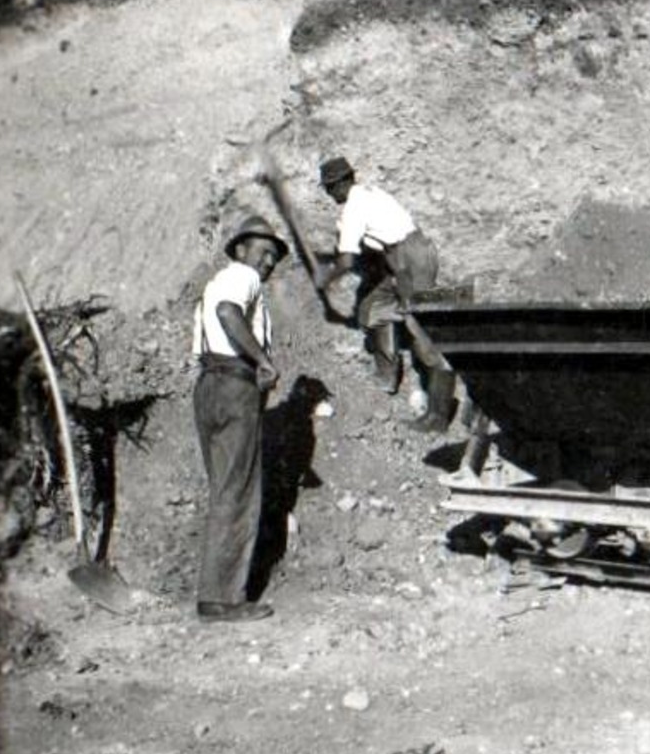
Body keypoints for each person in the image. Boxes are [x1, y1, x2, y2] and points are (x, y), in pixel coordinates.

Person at [191, 215, 288, 622]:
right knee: (239, 492)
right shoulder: (242, 278)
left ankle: (214, 591)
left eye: (273, 256)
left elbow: (209, 332)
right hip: (235, 384)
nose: (267, 261)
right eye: (262, 251)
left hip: (209, 385)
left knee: (223, 488)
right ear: (241, 249)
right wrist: (263, 362)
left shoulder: (213, 284)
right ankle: (223, 599)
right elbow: (230, 314)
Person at [315, 156, 455, 433]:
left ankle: (439, 415)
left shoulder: (355, 206)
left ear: (339, 184)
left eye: (329, 189)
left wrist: (325, 279)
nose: (329, 195)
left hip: (410, 260)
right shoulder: (370, 193)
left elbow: (345, 261)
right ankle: (387, 376)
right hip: (404, 258)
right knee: (372, 310)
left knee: (422, 337)